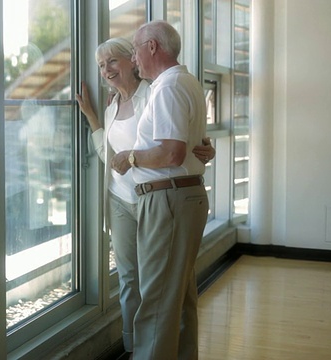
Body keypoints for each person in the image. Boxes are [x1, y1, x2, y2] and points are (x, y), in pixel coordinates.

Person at [76, 37, 214, 357]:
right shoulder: (111, 106)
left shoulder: (155, 92)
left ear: (132, 61)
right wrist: (93, 118)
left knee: (168, 286)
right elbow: (110, 157)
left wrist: (205, 149)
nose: (106, 70)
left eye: (112, 61)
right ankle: (134, 346)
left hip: (158, 200)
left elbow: (183, 142)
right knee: (130, 281)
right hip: (122, 201)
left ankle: (164, 350)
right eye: (100, 65)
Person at [109, 20, 210, 360]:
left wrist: (131, 157)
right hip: (181, 196)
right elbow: (192, 146)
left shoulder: (167, 88)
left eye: (135, 50)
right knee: (179, 297)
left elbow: (172, 152)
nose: (134, 60)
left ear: (152, 47)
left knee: (155, 300)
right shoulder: (185, 82)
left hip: (168, 199)